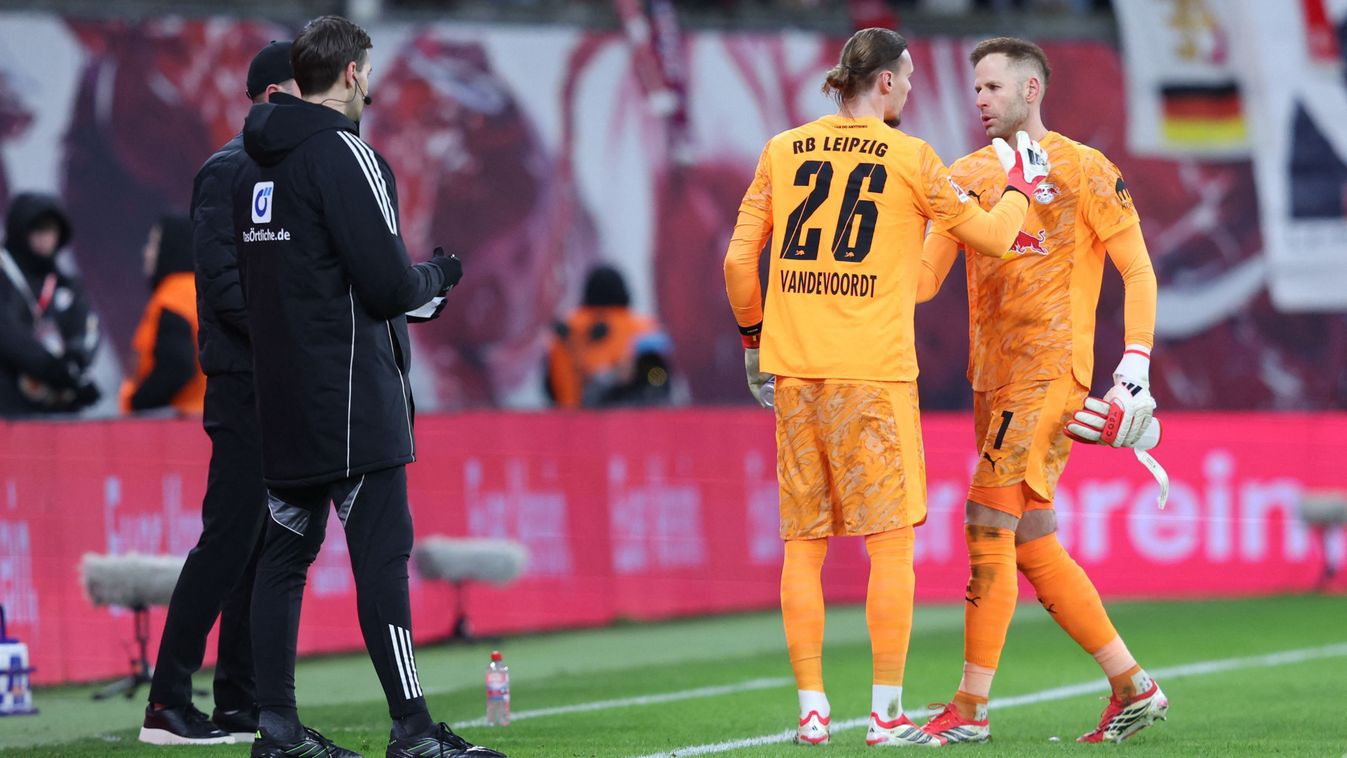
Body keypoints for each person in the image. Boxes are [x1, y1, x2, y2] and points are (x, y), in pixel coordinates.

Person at [722, 27, 1050, 748]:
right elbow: (995, 236)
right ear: (886, 82)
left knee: (803, 547)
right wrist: (1022, 184)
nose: (909, 89)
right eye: (906, 79)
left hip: (796, 375)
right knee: (890, 547)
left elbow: (739, 261)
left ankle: (812, 711)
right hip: (872, 375)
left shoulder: (783, 149)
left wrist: (753, 342)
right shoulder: (910, 158)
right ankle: (884, 714)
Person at [233, 16, 502, 758]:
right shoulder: (348, 154)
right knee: (381, 559)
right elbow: (387, 287)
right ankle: (412, 728)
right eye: (370, 72)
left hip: (282, 398)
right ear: (351, 72)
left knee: (282, 560)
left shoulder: (249, 168)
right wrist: (440, 275)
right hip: (352, 399)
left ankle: (277, 731)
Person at [913, 37, 1168, 745]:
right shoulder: (964, 175)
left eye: (992, 86)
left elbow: (1137, 270)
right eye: (975, 88)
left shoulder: (1085, 169)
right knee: (1030, 540)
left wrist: (1135, 366)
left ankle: (969, 709)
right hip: (990, 382)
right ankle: (1133, 687)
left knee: (984, 522)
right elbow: (923, 282)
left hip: (1049, 373)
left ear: (1031, 90)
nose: (980, 99)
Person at [138, 41, 299, 747]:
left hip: (281, 381)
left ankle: (238, 699)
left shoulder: (288, 170)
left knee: (261, 543)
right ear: (273, 96)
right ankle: (167, 702)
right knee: (230, 538)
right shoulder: (227, 171)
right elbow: (225, 286)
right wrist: (294, 338)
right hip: (243, 381)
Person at [0, 192, 100, 417]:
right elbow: (7, 332)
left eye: (52, 229)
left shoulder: (66, 284)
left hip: (57, 409)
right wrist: (50, 367)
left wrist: (74, 361)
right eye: (38, 228)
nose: (46, 237)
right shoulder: (5, 277)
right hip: (7, 409)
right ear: (20, 229)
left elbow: (89, 327)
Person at [545, 264, 674, 408]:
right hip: (631, 411)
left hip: (571, 413)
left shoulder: (567, 328)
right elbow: (660, 378)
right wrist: (638, 373)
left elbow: (551, 385)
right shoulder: (645, 328)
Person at [119, 216, 206, 416]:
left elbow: (177, 366)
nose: (146, 252)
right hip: (206, 418)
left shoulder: (174, 297)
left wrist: (136, 403)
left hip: (180, 421)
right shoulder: (201, 291)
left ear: (171, 247)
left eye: (153, 243)